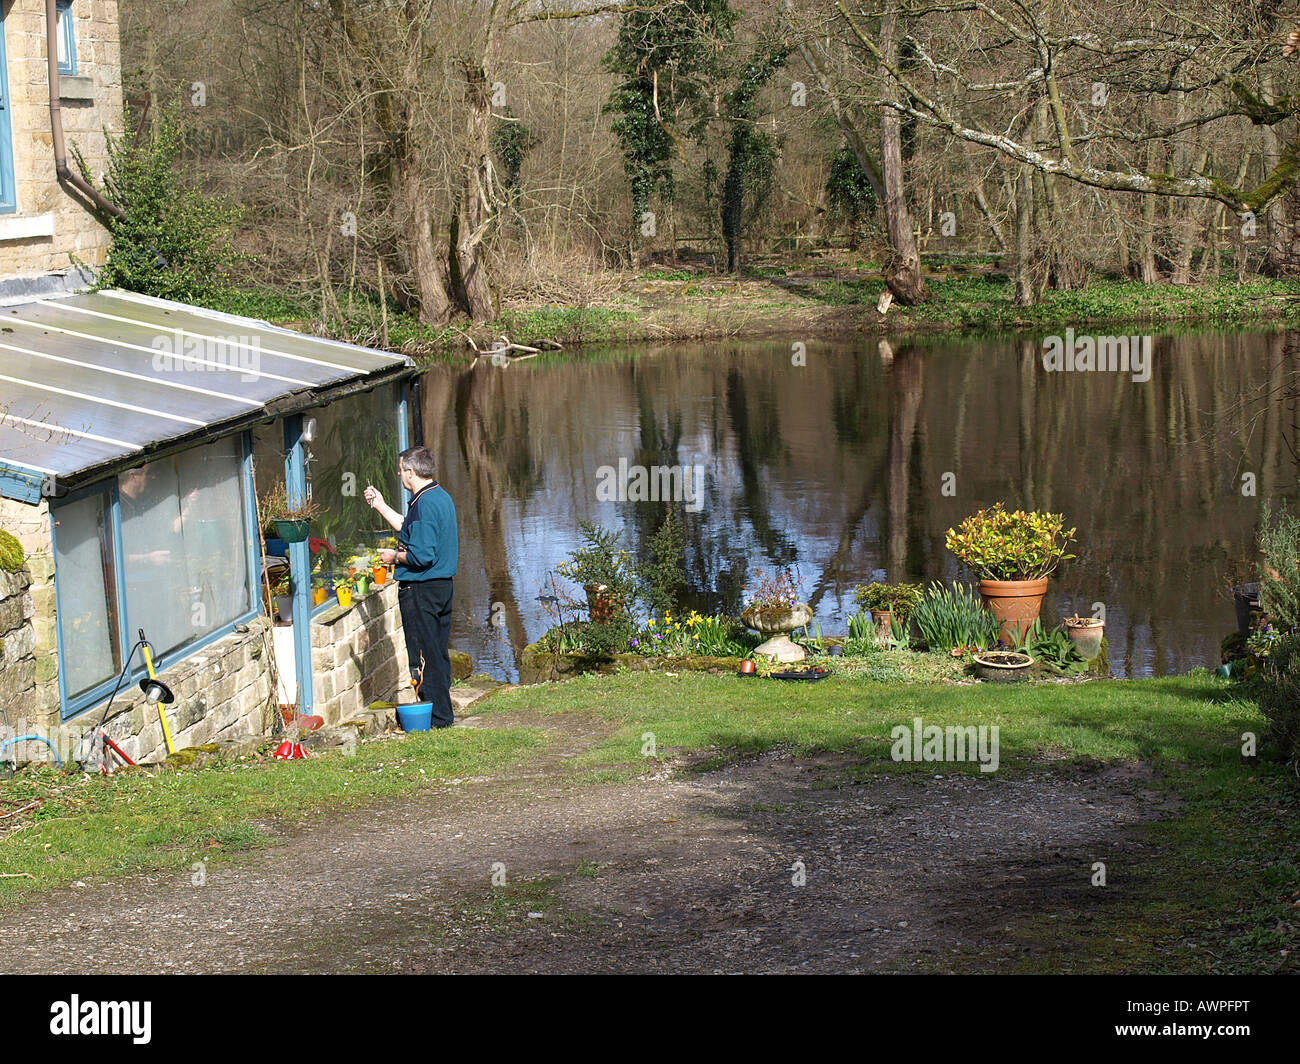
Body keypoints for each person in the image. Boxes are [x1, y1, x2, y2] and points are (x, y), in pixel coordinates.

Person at [364, 447, 458, 728]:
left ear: (411, 472)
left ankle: (439, 718)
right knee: (437, 651)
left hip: (422, 590)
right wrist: (380, 505)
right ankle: (440, 713)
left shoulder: (425, 504)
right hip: (440, 587)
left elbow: (421, 555)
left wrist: (393, 557)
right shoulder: (437, 497)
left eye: (401, 469)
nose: (399, 473)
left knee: (424, 655)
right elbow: (411, 529)